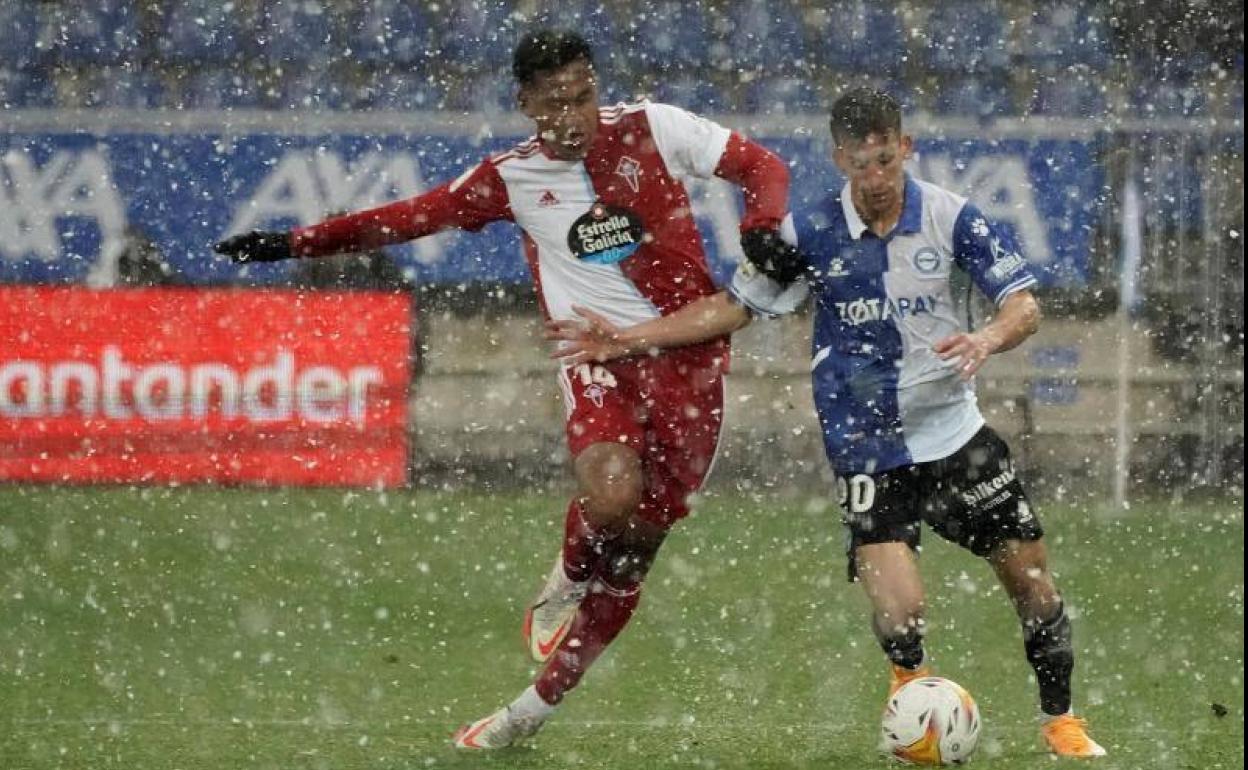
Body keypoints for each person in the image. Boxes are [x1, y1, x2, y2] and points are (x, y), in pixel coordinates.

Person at [214, 29, 796, 750]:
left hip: (692, 364)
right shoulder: (511, 179)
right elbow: (406, 218)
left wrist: (763, 225)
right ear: (525, 104)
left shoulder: (654, 125)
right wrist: (295, 244)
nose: (574, 115)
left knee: (637, 552)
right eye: (555, 103)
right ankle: (568, 568)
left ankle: (528, 715)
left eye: (584, 96)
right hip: (597, 358)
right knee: (611, 492)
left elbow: (760, 165)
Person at [547, 88, 1106, 759]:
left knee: (1034, 584)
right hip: (868, 447)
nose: (875, 179)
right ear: (840, 158)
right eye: (860, 164)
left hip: (955, 436)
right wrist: (628, 340)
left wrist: (988, 338)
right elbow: (732, 307)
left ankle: (1061, 721)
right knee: (901, 610)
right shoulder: (806, 233)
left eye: (885, 161)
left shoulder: (953, 219)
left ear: (906, 148)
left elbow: (1024, 307)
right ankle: (916, 709)